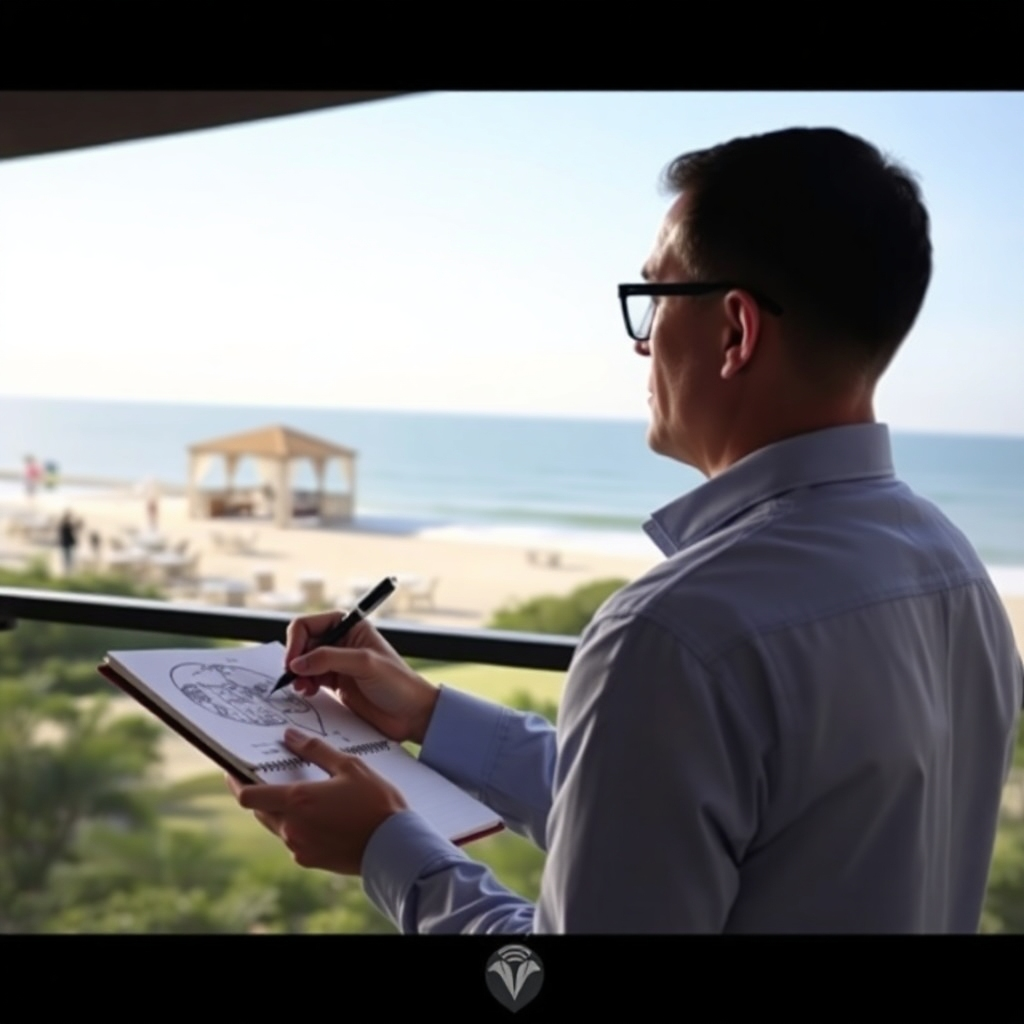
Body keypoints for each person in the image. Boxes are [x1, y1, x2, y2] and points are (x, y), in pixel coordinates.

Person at [230, 127, 1024, 933]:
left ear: (735, 332)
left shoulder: (679, 632)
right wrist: (433, 719)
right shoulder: (956, 574)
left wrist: (390, 853)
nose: (641, 345)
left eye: (653, 301)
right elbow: (686, 819)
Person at [57, 510, 79, 574]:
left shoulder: (65, 524)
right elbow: (70, 531)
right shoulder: (66, 525)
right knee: (68, 559)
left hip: (66, 543)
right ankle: (67, 572)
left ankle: (67, 571)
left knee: (68, 559)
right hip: (67, 543)